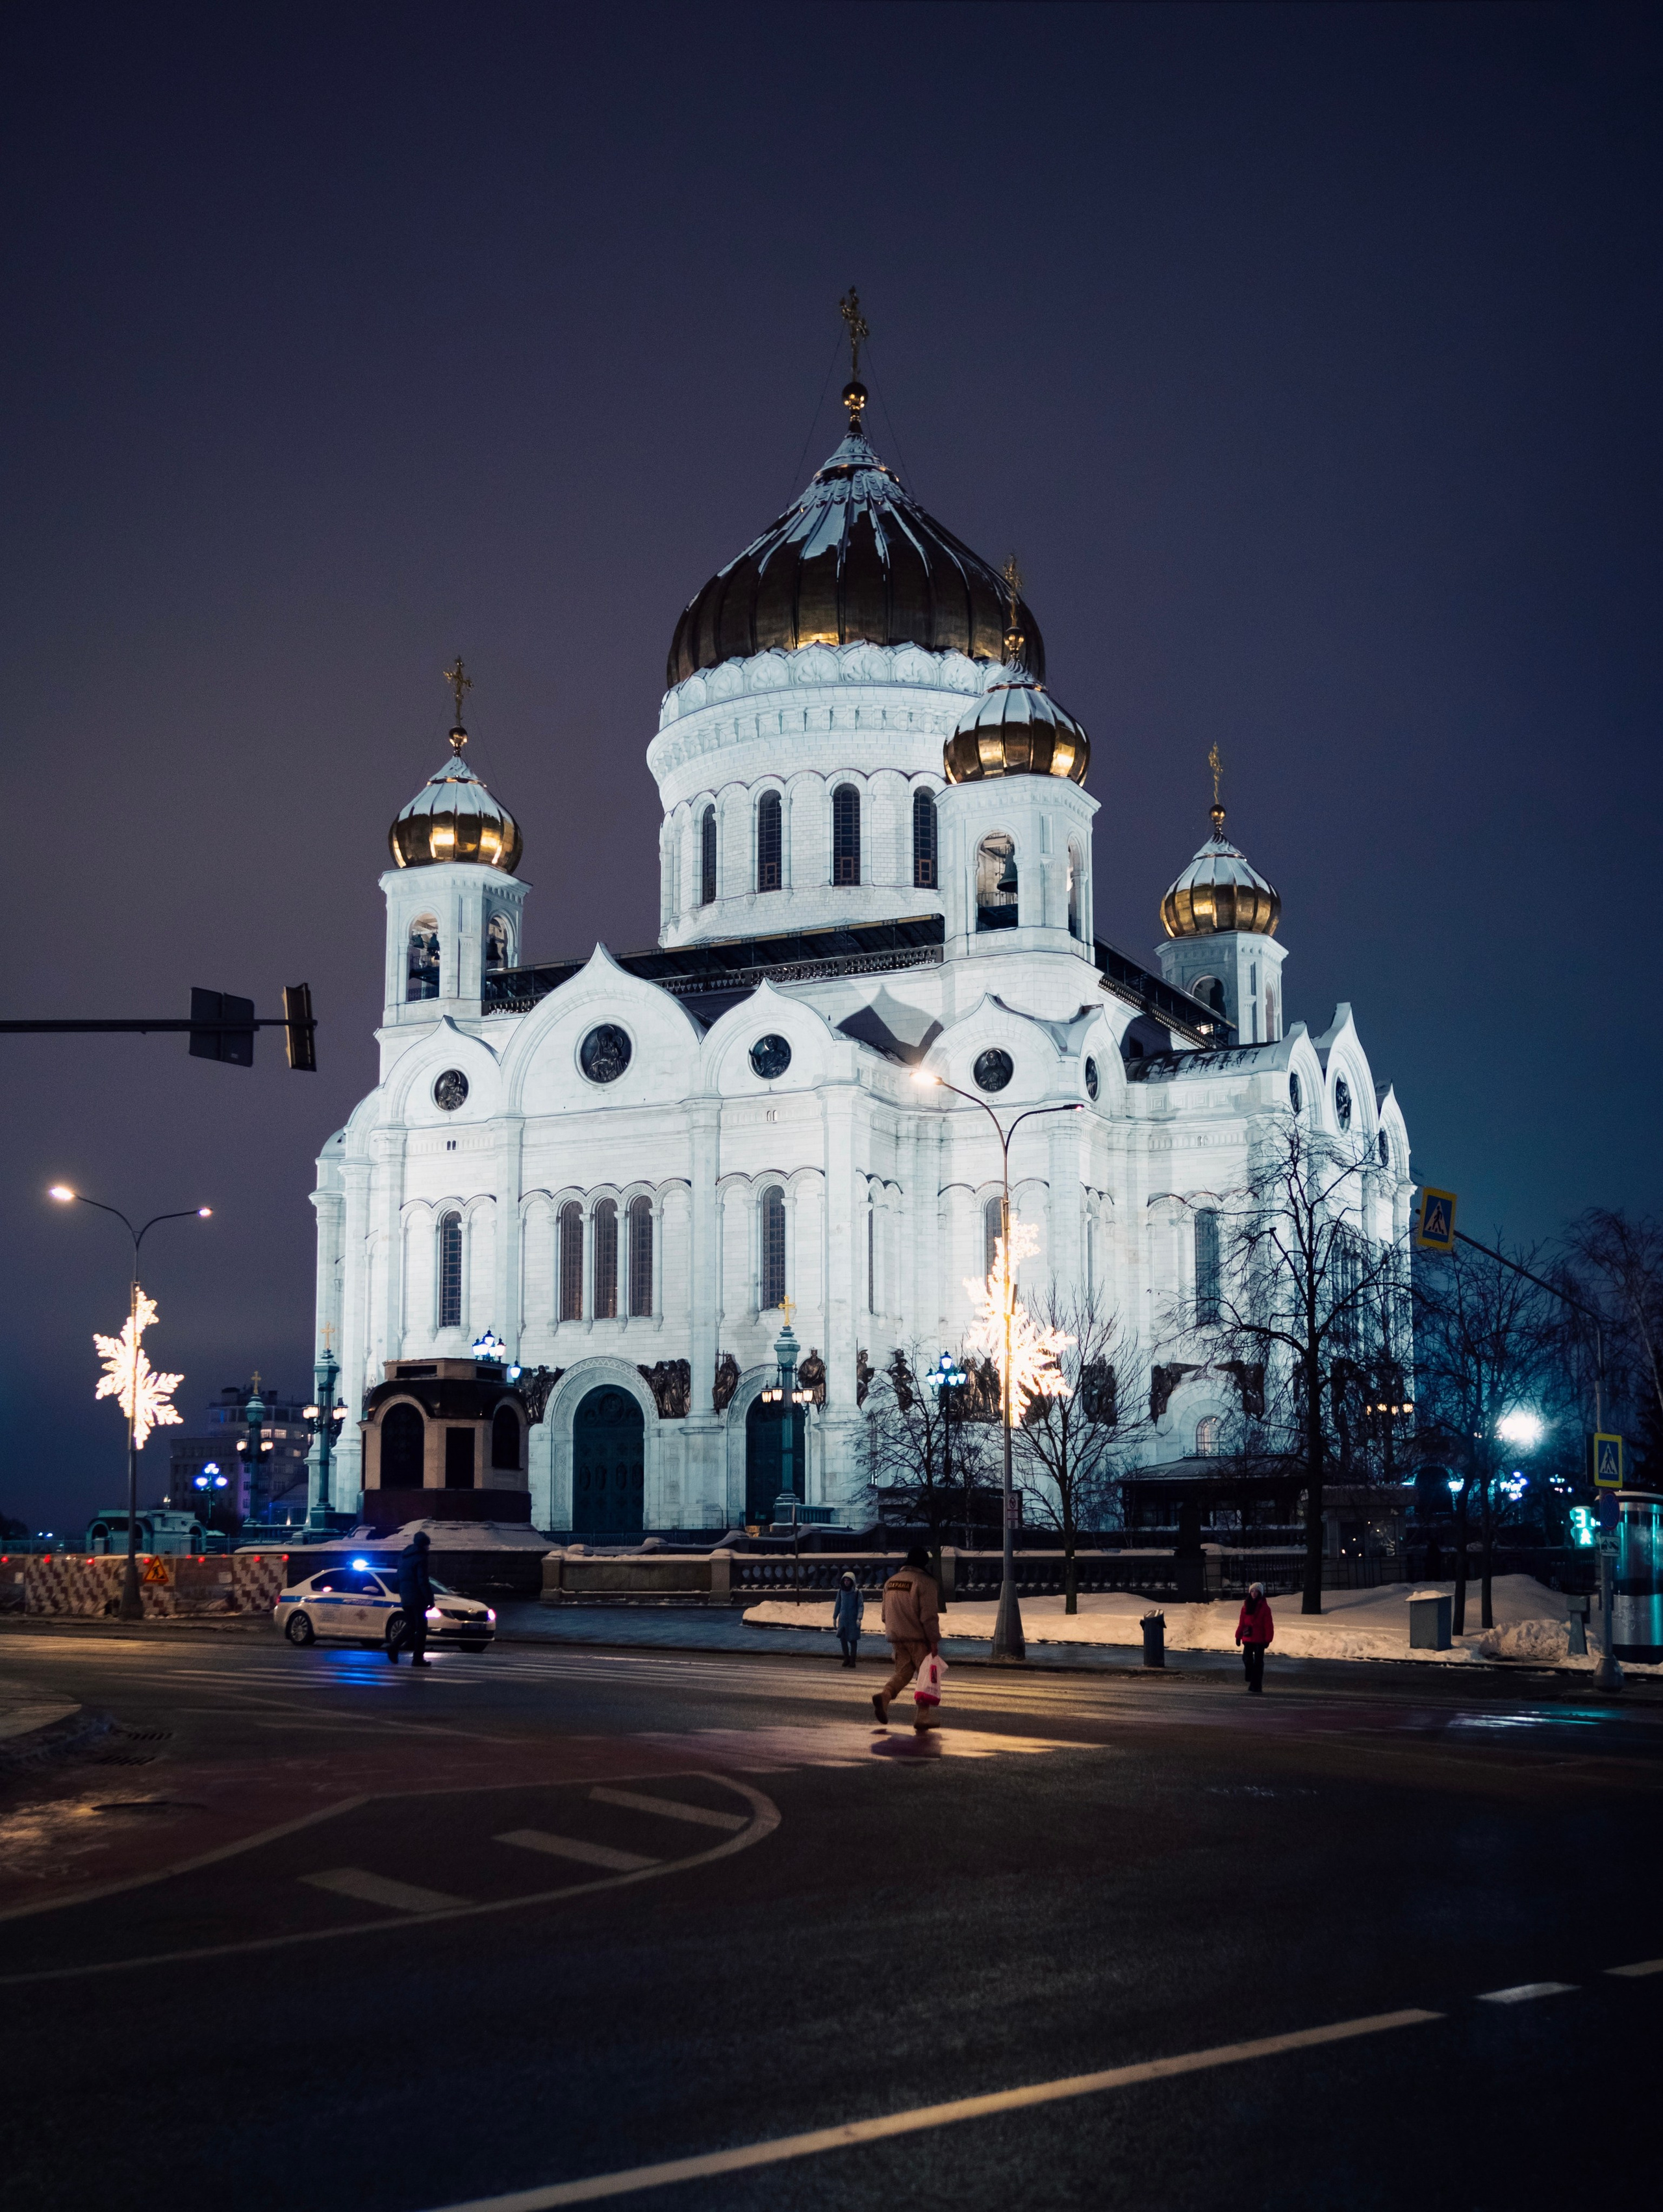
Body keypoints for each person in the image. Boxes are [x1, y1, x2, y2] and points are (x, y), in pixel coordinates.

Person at [874, 1546, 940, 1731]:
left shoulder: (891, 1581)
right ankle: (923, 1716)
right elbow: (928, 1617)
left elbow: (884, 1615)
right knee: (926, 1675)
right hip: (918, 1638)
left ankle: (885, 1696)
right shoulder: (925, 1582)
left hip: (896, 1637)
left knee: (903, 1672)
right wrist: (933, 1641)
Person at [390, 1530, 434, 1665]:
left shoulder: (404, 1557)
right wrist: (430, 1599)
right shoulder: (421, 1558)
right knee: (421, 1628)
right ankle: (417, 1658)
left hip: (406, 1597)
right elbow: (423, 1581)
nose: (428, 1548)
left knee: (412, 1625)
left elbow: (399, 1578)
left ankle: (394, 1646)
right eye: (427, 1545)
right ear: (424, 1545)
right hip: (417, 1597)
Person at [1235, 1581, 1274, 1692]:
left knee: (1258, 1663)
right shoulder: (1245, 1607)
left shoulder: (1265, 1608)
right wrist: (1238, 1636)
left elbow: (1268, 1625)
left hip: (1260, 1639)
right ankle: (1252, 1678)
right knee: (1246, 1659)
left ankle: (1256, 1686)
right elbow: (1242, 1623)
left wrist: (1268, 1639)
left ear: (1260, 1593)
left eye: (1256, 1591)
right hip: (1248, 1637)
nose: (1254, 1593)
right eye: (1252, 1591)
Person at [832, 1571, 864, 1668]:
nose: (846, 1582)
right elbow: (838, 1605)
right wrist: (835, 1617)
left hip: (853, 1620)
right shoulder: (841, 1592)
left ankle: (853, 1660)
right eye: (845, 1580)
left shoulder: (857, 1593)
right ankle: (846, 1658)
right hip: (843, 1620)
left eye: (848, 1581)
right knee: (843, 1640)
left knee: (853, 1640)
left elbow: (860, 1606)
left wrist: (859, 1618)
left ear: (852, 1581)